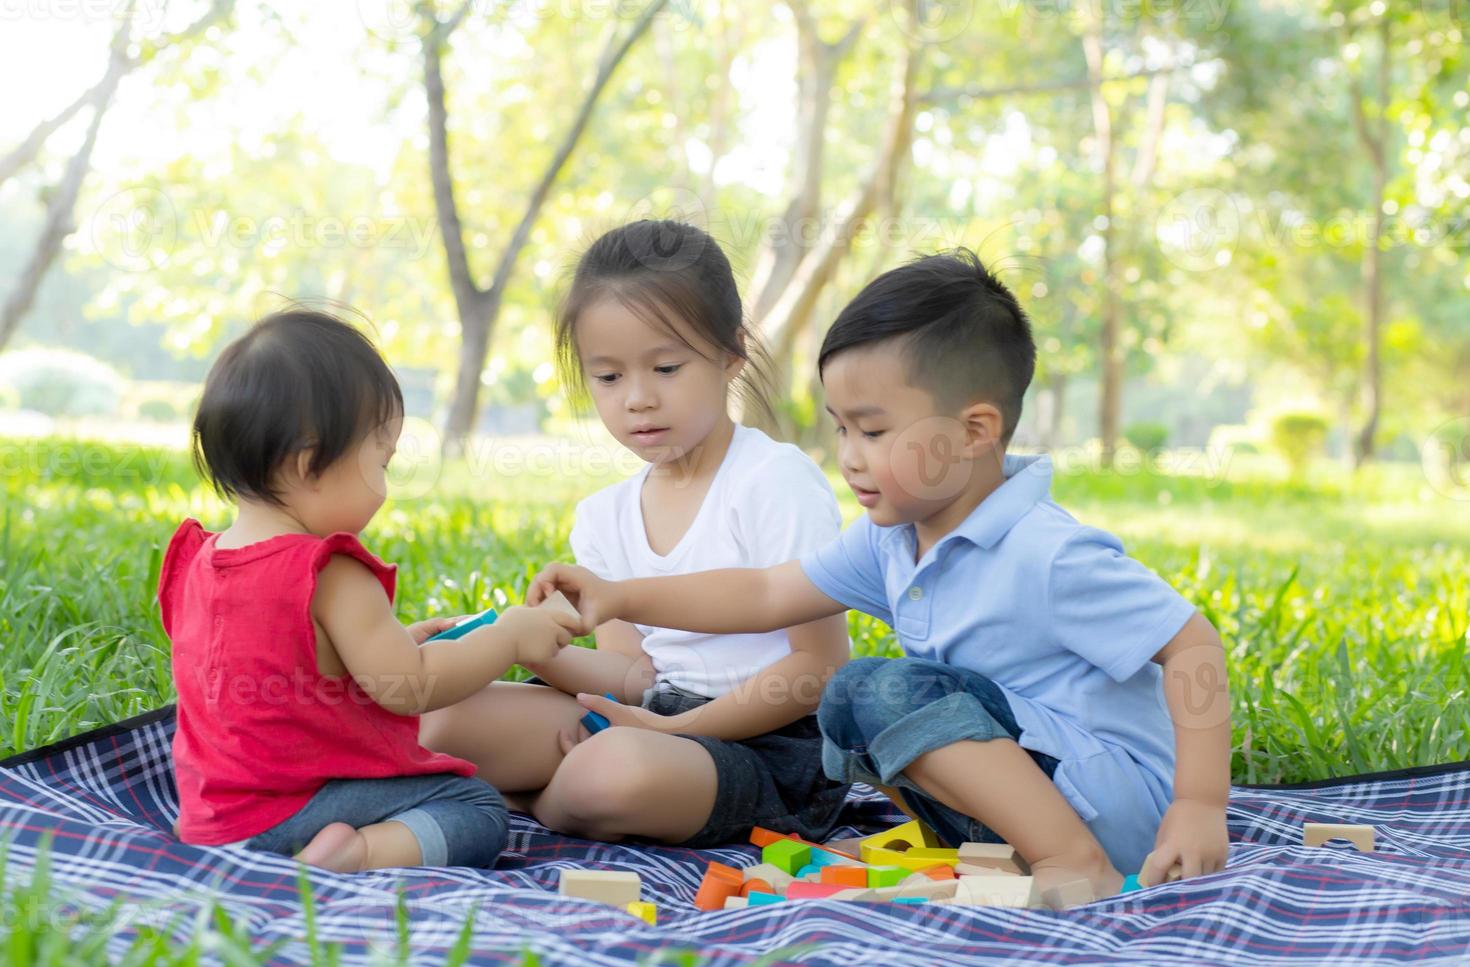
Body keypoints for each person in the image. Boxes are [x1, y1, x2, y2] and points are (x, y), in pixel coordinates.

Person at [529, 248, 1232, 899]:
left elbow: (1192, 644)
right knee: (848, 705)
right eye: (839, 429)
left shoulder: (1045, 551)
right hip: (1013, 805)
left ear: (975, 431)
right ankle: (1018, 852)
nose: (851, 458)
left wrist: (1198, 807)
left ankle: (1076, 863)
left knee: (875, 687)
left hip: (1119, 807)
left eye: (873, 431)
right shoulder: (891, 540)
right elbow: (767, 592)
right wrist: (619, 595)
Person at [420, 220, 853, 848]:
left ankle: (537, 799)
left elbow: (820, 668)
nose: (638, 399)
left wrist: (668, 734)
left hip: (764, 748)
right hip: (644, 716)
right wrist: (522, 643)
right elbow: (631, 675)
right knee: (440, 722)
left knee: (614, 772)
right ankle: (554, 791)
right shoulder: (604, 516)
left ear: (732, 355)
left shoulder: (774, 481)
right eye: (609, 377)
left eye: (667, 367)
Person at [159, 308, 578, 872]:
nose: (384, 490)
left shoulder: (199, 561)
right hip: (293, 811)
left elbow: (280, 660)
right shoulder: (328, 571)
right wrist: (509, 640)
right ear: (311, 464)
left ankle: (288, 844)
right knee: (476, 807)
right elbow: (411, 687)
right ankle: (354, 855)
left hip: (212, 817)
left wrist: (398, 638)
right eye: (382, 462)